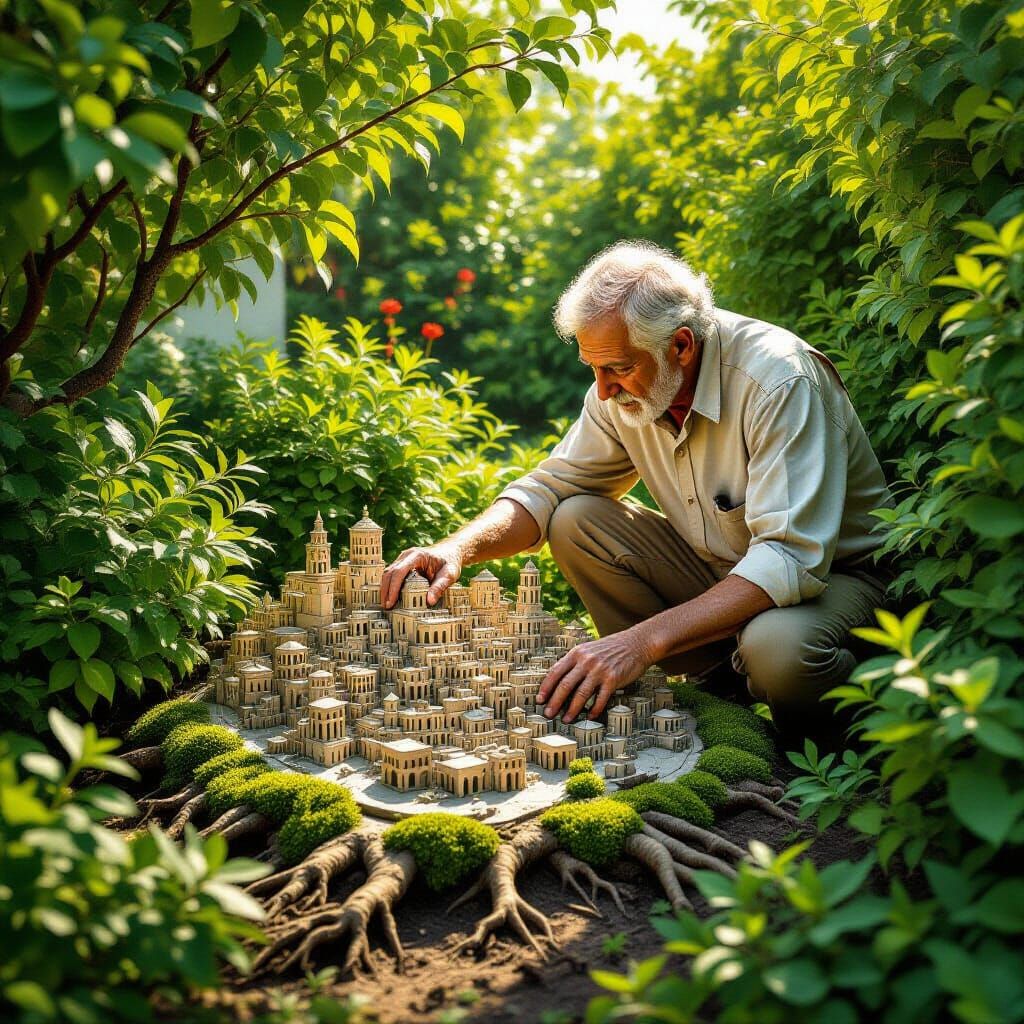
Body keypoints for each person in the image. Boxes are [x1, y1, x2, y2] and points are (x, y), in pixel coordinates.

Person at [380, 241, 894, 744]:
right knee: (576, 517)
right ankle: (717, 699)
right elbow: (550, 487)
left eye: (619, 368)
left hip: (835, 580)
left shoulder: (779, 382)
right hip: (725, 571)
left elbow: (789, 559)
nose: (603, 390)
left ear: (682, 345)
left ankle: (833, 758)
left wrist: (639, 642)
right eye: (593, 368)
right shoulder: (627, 390)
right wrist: (456, 548)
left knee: (777, 648)